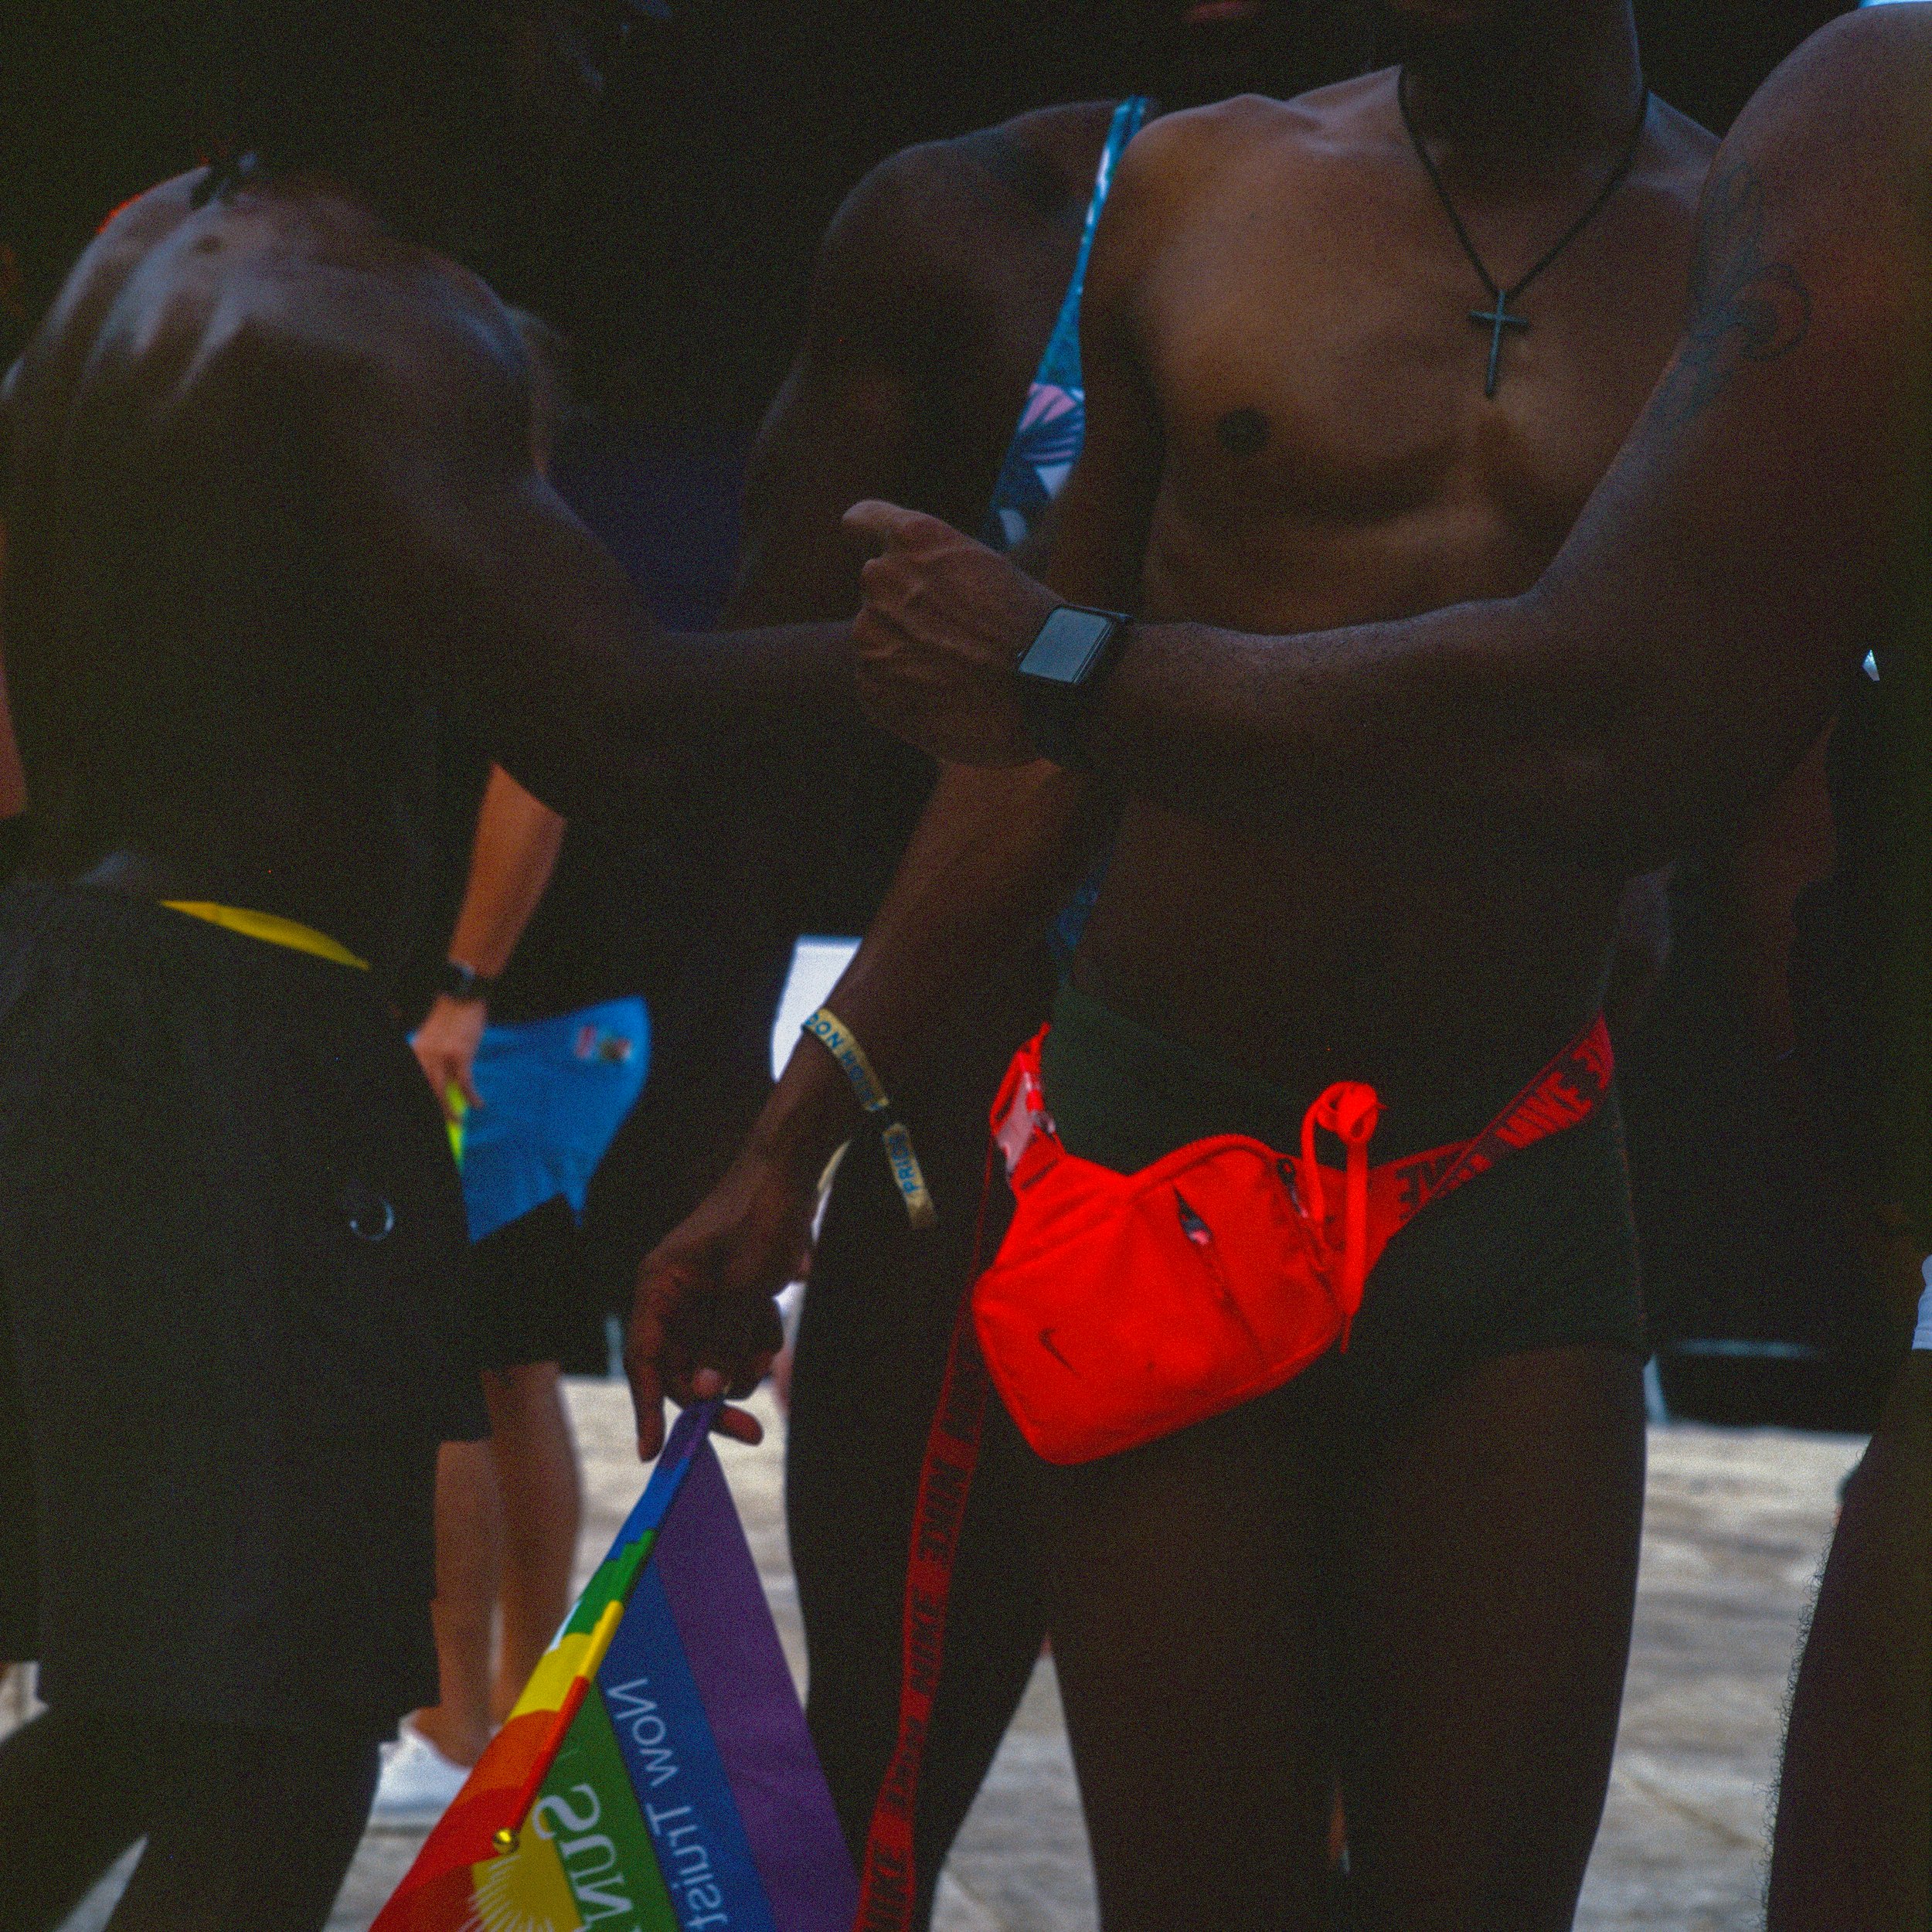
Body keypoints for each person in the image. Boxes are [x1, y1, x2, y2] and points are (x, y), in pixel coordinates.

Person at [747, 12, 1932, 1926]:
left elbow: (1775, 807)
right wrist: (795, 1122)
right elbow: (1032, 744)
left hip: (1504, 1156)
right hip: (1167, 1136)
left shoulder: (1758, 244)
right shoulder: (1200, 189)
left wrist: (1898, 1266)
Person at [0, 2, 845, 1923]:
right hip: (237, 1041)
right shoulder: (390, 314)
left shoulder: (142, 246)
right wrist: (974, 645)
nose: (592, 69)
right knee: (294, 1726)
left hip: (63, 985)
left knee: (150, 1704)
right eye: (562, 25)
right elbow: (612, 719)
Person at [725, 4, 1372, 1910]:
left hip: (1378, 1095)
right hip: (1009, 1079)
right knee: (877, 1765)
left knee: (1314, 1817)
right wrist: (752, 1125)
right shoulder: (977, 223)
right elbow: (787, 703)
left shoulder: (1566, 225)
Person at [373, 312, 651, 1819]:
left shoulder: (509, 566)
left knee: (460, 1362)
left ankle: (452, 1722)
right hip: (545, 1016)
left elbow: (532, 786)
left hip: (511, 1020)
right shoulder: (539, 558)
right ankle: (502, 1719)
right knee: (508, 1359)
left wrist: (462, 989)